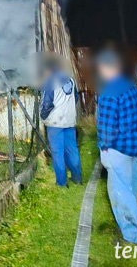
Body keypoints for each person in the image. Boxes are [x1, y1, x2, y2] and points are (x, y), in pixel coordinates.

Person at [95, 50, 137, 244]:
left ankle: (133, 235)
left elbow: (106, 128)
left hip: (118, 151)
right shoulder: (132, 88)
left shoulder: (108, 94)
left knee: (119, 192)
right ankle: (133, 229)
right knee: (130, 188)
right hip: (135, 148)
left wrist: (104, 148)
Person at [39, 53, 82, 187]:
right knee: (72, 149)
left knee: (58, 153)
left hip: (55, 123)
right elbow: (75, 98)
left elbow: (46, 103)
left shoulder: (50, 81)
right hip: (69, 121)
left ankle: (62, 183)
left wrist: (43, 116)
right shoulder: (71, 79)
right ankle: (77, 178)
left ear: (48, 69)